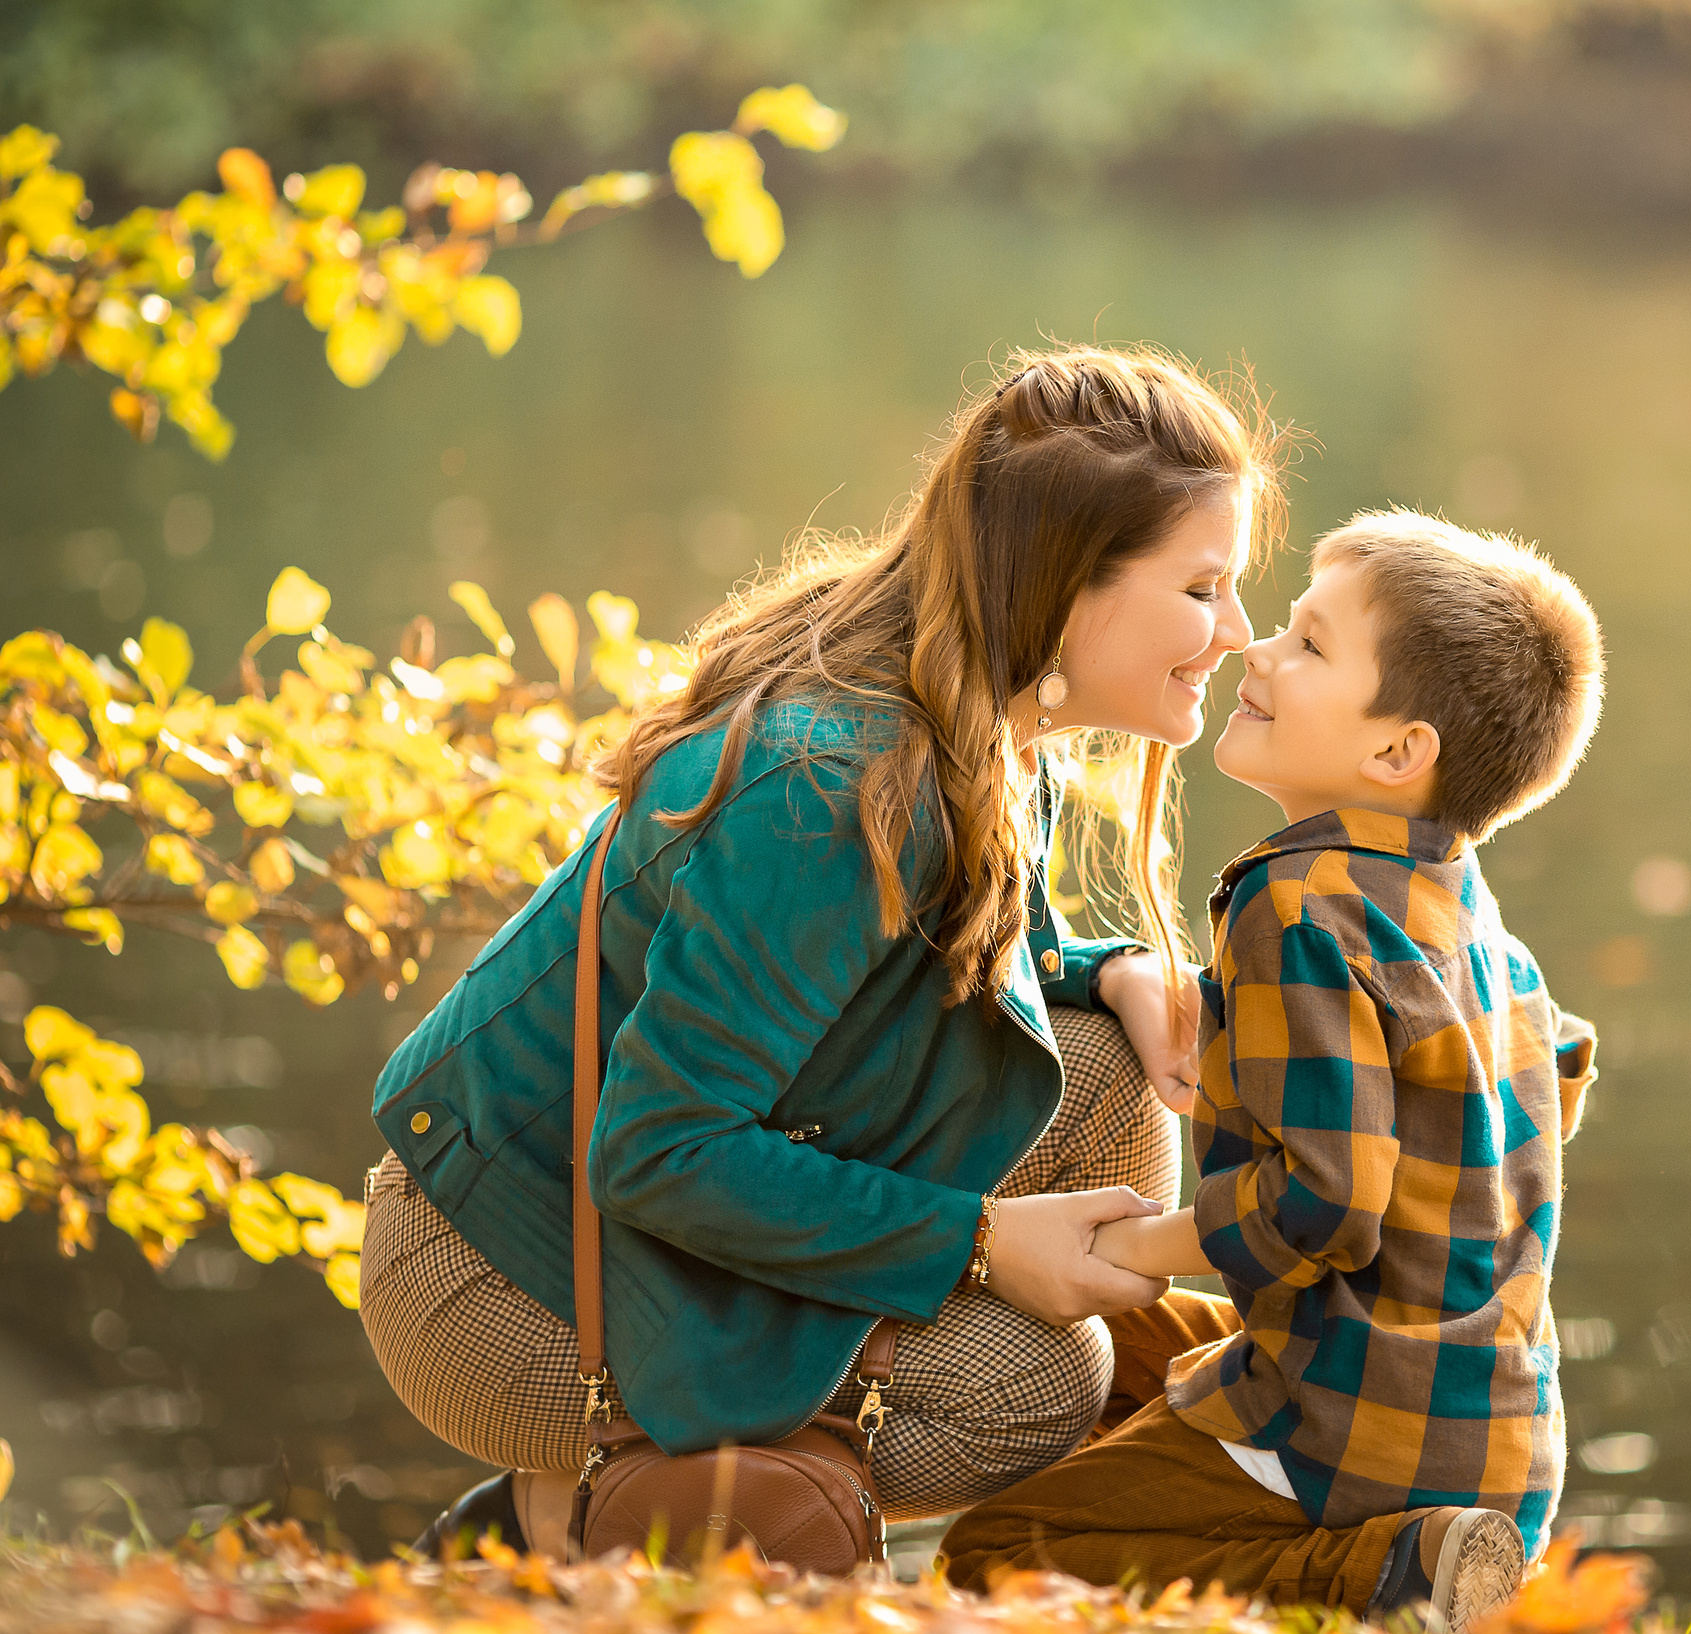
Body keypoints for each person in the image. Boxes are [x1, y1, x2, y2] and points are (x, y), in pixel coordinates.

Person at [360, 346, 1283, 1555]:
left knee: (1110, 1065)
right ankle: (622, 1511)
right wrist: (984, 1243)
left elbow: (926, 964)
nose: (1239, 632)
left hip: (660, 1186)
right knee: (1038, 1379)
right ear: (1065, 586)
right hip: (505, 1267)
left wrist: (1107, 968)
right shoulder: (829, 792)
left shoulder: (983, 717)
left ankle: (841, 1466)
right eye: (1203, 587)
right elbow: (656, 1147)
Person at [940, 509, 1604, 1634]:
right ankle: (1399, 1539)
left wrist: (1137, 1239)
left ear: (1397, 751)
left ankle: (1383, 1568)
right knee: (1114, 1353)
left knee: (989, 1551)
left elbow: (1322, 1206)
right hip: (1494, 1429)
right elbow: (1541, 1086)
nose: (1256, 650)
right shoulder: (1481, 930)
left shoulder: (1295, 905)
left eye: (1307, 644)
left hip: (1356, 1426)